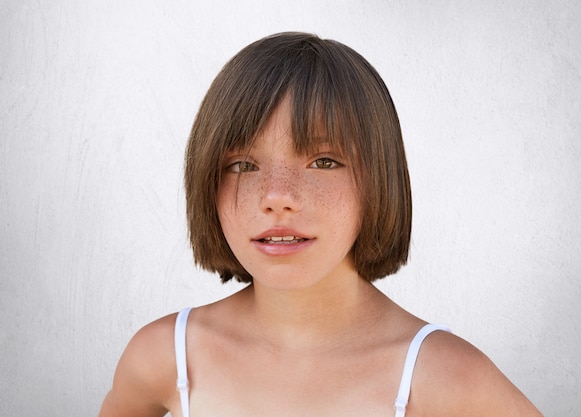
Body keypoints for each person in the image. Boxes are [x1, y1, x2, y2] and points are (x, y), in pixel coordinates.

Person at [98, 32, 542, 417]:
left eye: (323, 161)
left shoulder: (446, 376)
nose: (277, 197)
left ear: (379, 180)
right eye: (243, 164)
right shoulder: (165, 357)